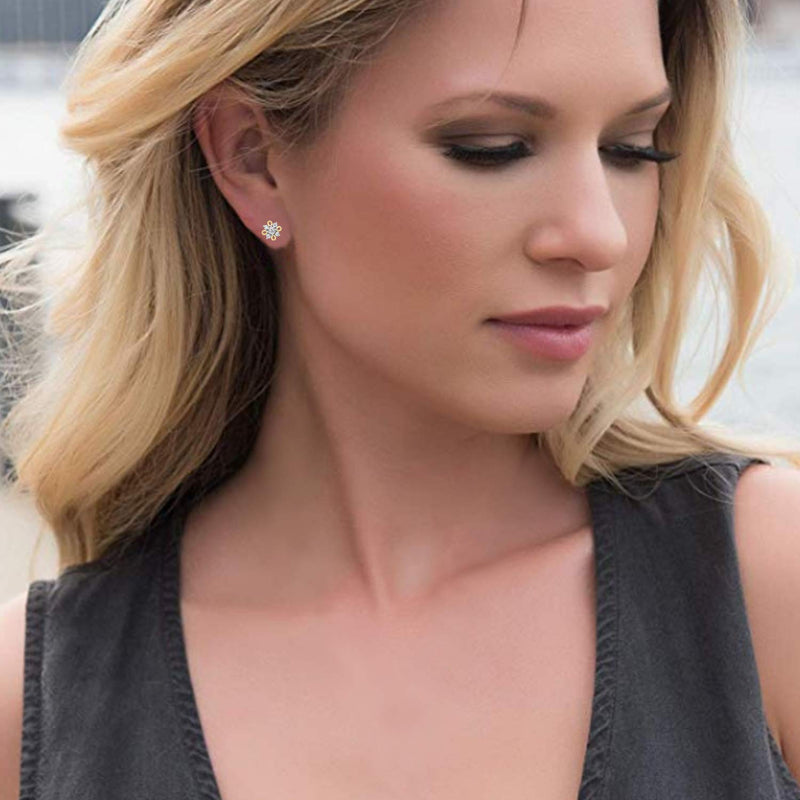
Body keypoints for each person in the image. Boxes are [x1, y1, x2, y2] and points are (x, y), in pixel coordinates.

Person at [1, 0, 800, 797]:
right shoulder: (32, 707)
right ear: (253, 158)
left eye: (631, 149)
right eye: (492, 148)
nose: (600, 234)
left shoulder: (763, 584)